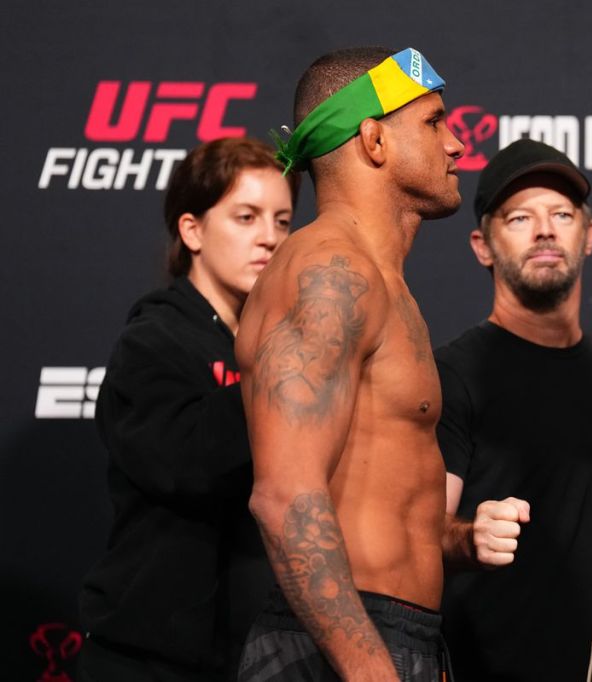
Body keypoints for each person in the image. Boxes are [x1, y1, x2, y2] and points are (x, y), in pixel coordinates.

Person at [234, 47, 464, 681]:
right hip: (339, 648)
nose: (456, 145)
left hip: (392, 636)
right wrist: (370, 672)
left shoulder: (382, 281)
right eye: (434, 122)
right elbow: (283, 496)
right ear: (374, 140)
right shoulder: (329, 273)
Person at [77, 137, 299, 682]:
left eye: (282, 221)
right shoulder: (153, 341)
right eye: (246, 217)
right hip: (154, 659)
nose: (269, 238)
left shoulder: (276, 342)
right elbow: (187, 462)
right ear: (192, 230)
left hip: (262, 655)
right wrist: (287, 373)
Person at [436, 139, 592, 680]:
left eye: (561, 214)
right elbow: (419, 532)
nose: (544, 231)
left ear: (588, 235)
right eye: (520, 218)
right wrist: (470, 537)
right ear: (482, 246)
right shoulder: (451, 374)